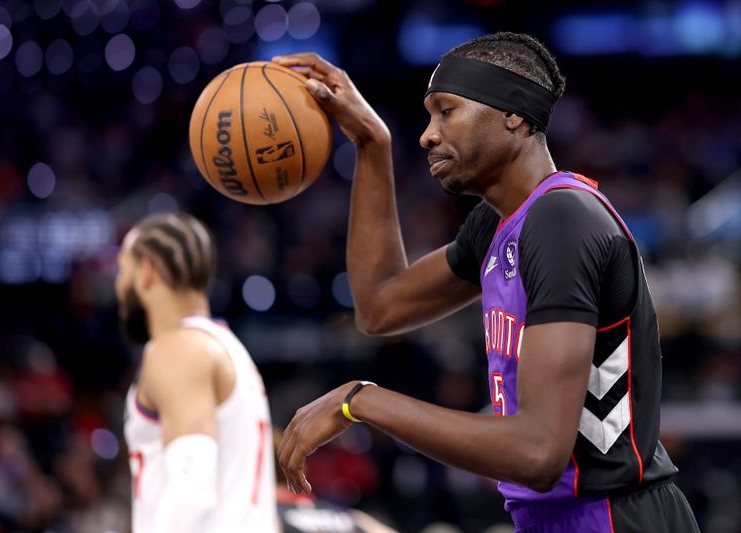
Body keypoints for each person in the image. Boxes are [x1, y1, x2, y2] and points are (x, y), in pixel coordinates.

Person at [274, 33, 700, 532]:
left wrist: (362, 401)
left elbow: (539, 453)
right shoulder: (498, 224)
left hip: (611, 516)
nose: (427, 135)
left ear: (513, 114)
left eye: (446, 111)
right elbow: (379, 307)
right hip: (559, 517)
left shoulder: (562, 219)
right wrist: (371, 142)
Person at [116, 212, 278, 533]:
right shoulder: (226, 346)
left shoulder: (179, 349)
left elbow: (192, 490)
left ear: (145, 270)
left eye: (123, 269)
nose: (119, 283)